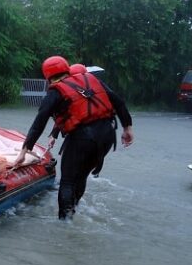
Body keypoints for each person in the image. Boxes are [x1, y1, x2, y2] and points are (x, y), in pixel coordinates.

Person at [14, 56, 134, 220]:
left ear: (48, 76)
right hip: (107, 135)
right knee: (82, 175)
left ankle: (65, 222)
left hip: (83, 138)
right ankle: (74, 207)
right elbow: (119, 102)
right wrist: (127, 128)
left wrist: (25, 150)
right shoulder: (91, 79)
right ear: (67, 69)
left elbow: (39, 122)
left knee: (68, 181)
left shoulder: (56, 91)